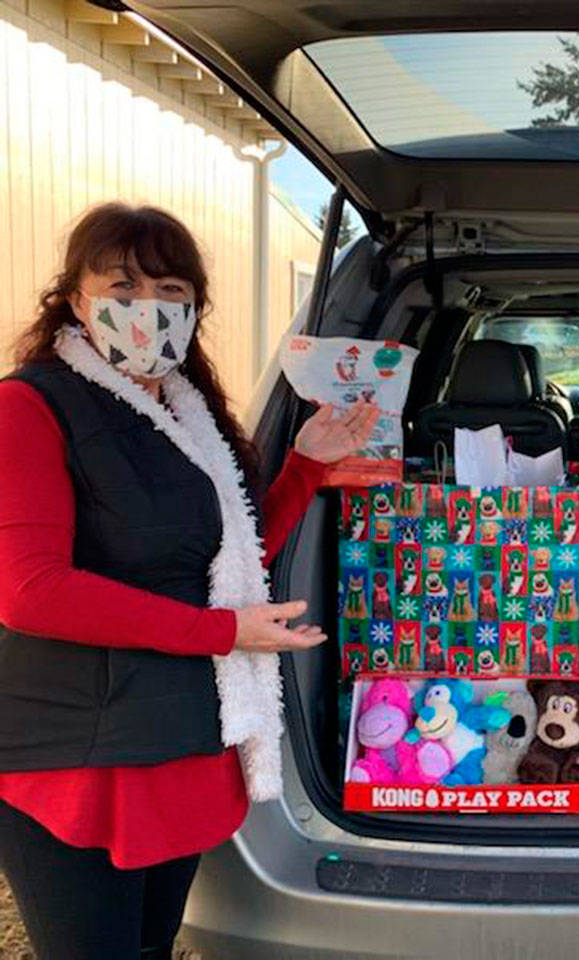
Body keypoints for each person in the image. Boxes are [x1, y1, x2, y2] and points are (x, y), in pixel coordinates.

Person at [0, 203, 378, 959]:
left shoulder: (186, 410)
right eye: (124, 286)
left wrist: (303, 465)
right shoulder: (27, 406)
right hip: (82, 762)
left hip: (179, 744)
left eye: (171, 292)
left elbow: (222, 559)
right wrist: (224, 633)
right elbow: (29, 591)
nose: (148, 310)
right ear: (76, 298)